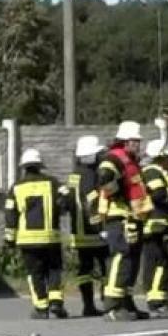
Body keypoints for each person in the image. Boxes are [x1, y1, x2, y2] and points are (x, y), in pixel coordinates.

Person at [2, 148, 69, 319]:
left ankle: (41, 308)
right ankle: (56, 303)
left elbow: (10, 214)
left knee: (35, 273)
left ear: (24, 167)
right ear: (40, 165)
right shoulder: (53, 182)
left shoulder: (16, 187)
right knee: (54, 270)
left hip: (27, 240)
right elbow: (67, 196)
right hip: (50, 237)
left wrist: (10, 238)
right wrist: (61, 208)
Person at [96, 121, 152, 320]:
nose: (138, 144)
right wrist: (117, 192)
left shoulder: (131, 160)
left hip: (133, 217)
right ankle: (112, 306)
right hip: (119, 217)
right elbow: (104, 177)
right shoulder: (114, 158)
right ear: (125, 141)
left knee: (132, 262)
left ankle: (127, 304)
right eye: (135, 141)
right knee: (122, 258)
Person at [64, 135, 109, 317]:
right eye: (98, 154)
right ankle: (108, 303)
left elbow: (67, 202)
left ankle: (88, 305)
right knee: (106, 267)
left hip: (78, 232)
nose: (101, 157)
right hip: (93, 233)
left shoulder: (74, 174)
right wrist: (101, 228)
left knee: (85, 270)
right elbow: (92, 202)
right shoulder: (91, 175)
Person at [138, 139, 168, 317]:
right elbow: (159, 195)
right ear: (161, 157)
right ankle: (156, 302)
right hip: (157, 225)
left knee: (163, 264)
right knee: (158, 264)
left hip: (162, 225)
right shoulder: (152, 172)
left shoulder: (161, 172)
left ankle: (159, 300)